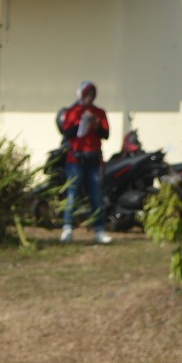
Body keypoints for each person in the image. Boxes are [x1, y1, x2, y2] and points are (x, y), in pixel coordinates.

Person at [59, 81, 112, 244]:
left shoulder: (99, 112)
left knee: (96, 196)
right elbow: (67, 132)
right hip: (75, 160)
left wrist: (95, 124)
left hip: (93, 160)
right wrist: (81, 122)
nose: (90, 97)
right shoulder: (72, 111)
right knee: (72, 195)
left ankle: (99, 230)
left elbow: (106, 134)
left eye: (92, 94)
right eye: (87, 94)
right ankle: (67, 229)